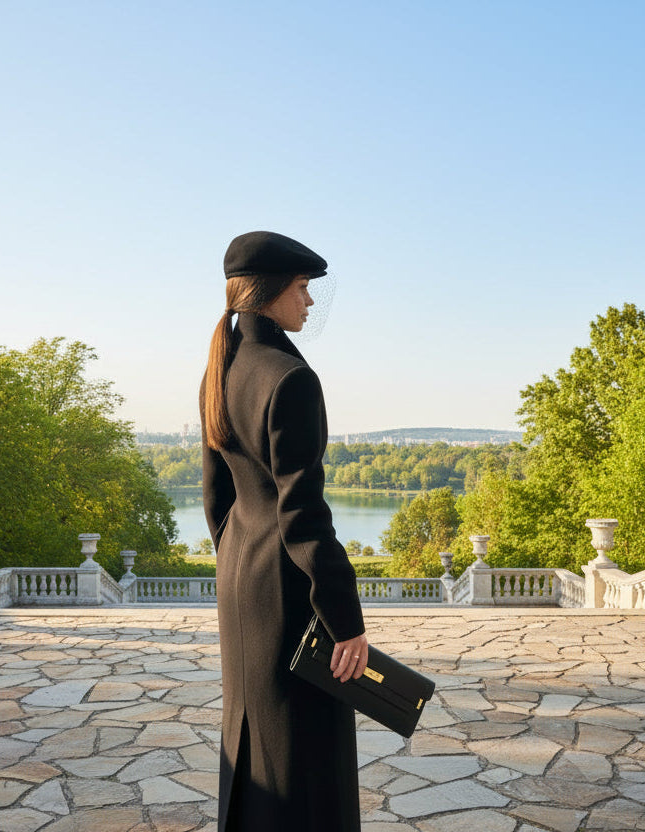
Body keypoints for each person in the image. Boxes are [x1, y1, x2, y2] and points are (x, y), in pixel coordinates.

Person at [200, 230, 369, 832]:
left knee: (252, 737)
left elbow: (216, 496)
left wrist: (236, 559)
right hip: (288, 592)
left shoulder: (224, 366)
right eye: (302, 289)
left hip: (240, 583)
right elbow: (304, 517)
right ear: (271, 292)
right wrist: (346, 622)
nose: (310, 302)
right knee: (305, 753)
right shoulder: (290, 377)